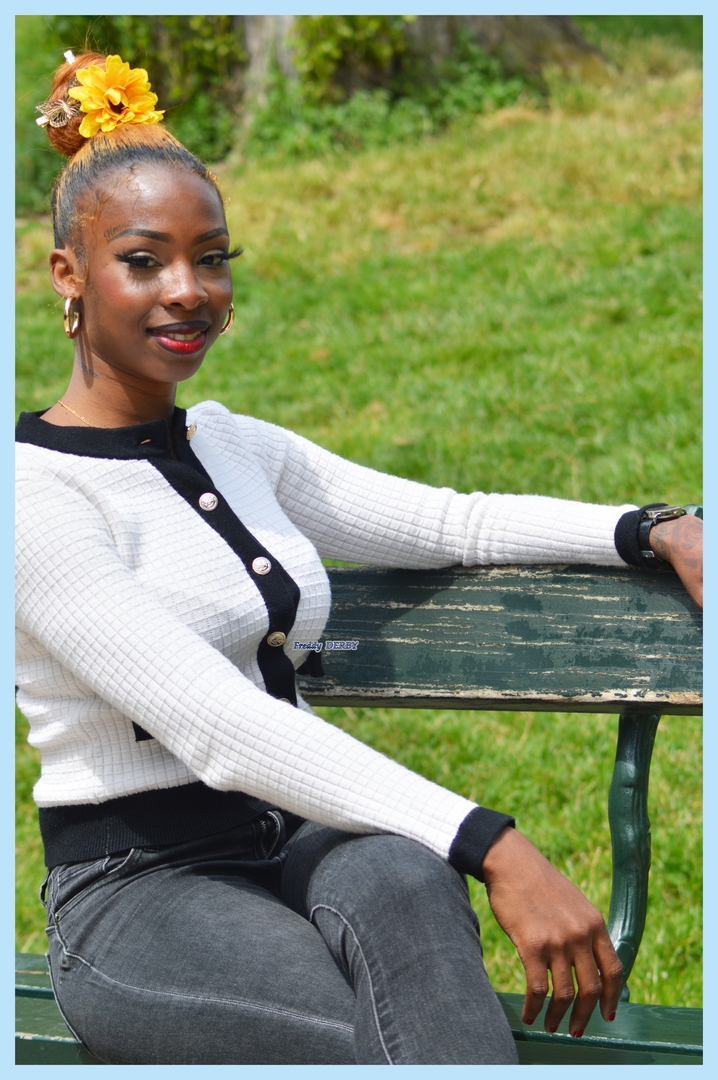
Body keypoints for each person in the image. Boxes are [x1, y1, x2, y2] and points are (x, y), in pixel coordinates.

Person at [16, 52, 703, 1066]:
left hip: (300, 839)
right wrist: (491, 842)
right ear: (69, 276)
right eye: (145, 260)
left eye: (213, 258)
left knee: (402, 875)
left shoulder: (232, 444)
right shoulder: (33, 498)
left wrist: (653, 528)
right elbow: (218, 726)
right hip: (139, 894)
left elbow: (450, 524)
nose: (189, 291)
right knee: (394, 1041)